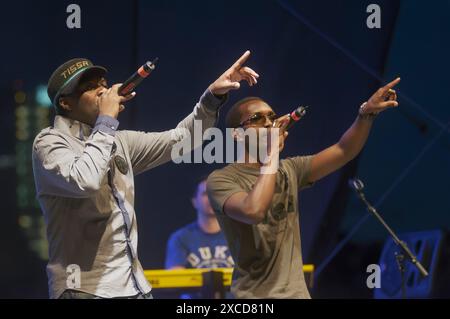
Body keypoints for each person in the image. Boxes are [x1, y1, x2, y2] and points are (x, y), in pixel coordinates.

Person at [32, 51, 259, 299]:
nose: (103, 92)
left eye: (103, 85)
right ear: (66, 103)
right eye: (90, 87)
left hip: (134, 286)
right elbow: (85, 180)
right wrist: (107, 119)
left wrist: (213, 97)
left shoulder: (118, 141)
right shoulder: (49, 143)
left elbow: (182, 140)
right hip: (83, 289)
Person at [206, 77, 401, 299]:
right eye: (257, 118)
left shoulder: (289, 169)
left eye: (271, 116)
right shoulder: (221, 180)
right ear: (238, 135)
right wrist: (271, 156)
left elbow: (343, 151)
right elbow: (253, 211)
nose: (269, 123)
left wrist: (366, 114)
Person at [165, 177, 234, 270]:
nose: (211, 198)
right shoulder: (180, 238)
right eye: (205, 194)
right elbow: (175, 279)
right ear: (195, 202)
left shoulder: (237, 235)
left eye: (215, 193)